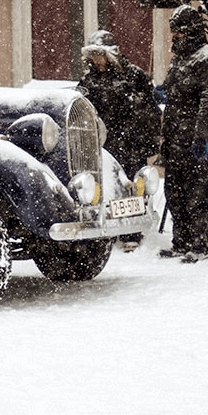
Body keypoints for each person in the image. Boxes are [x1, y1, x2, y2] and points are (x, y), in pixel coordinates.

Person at [77, 30, 162, 250]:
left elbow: (150, 111)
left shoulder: (134, 76)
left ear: (111, 54)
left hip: (131, 142)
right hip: (105, 145)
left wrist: (146, 139)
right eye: (93, 55)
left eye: (100, 54)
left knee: (132, 187)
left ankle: (131, 232)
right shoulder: (88, 80)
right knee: (105, 187)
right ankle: (109, 228)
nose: (97, 60)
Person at [159, 4, 208, 263]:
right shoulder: (181, 56)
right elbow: (174, 87)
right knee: (174, 191)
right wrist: (163, 91)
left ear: (192, 32)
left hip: (196, 138)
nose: (174, 37)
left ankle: (202, 243)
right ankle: (181, 240)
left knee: (198, 192)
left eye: (179, 33)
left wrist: (202, 137)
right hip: (175, 136)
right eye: (173, 33)